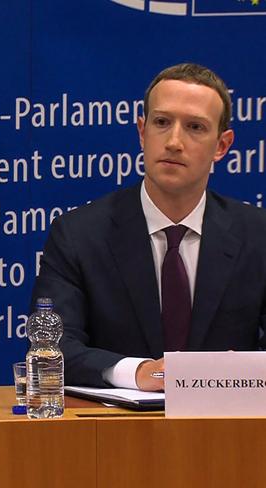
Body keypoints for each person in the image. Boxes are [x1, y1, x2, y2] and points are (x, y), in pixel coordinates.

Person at [32, 63, 266, 391]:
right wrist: (140, 373)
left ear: (222, 146)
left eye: (195, 127)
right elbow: (50, 350)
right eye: (161, 122)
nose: (173, 141)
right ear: (142, 132)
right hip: (115, 433)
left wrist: (240, 371)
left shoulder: (258, 237)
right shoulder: (78, 235)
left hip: (229, 432)